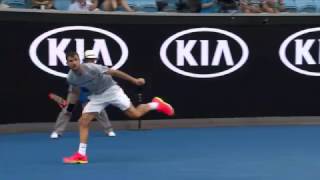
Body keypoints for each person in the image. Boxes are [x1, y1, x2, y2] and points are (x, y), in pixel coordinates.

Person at [63, 51, 174, 164]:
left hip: (112, 90)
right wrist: (70, 108)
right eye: (71, 61)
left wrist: (134, 80)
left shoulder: (92, 67)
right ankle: (81, 155)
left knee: (135, 114)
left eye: (76, 59)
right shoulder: (71, 78)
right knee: (83, 121)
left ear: (79, 60)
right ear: (67, 63)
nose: (74, 63)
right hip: (97, 96)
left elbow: (115, 73)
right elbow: (75, 93)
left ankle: (156, 104)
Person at [49, 50, 116, 139]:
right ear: (85, 60)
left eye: (93, 59)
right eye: (89, 59)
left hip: (90, 93)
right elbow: (75, 88)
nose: (91, 61)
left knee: (99, 110)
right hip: (75, 93)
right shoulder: (75, 72)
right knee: (68, 110)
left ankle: (109, 130)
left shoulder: (96, 69)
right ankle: (57, 131)